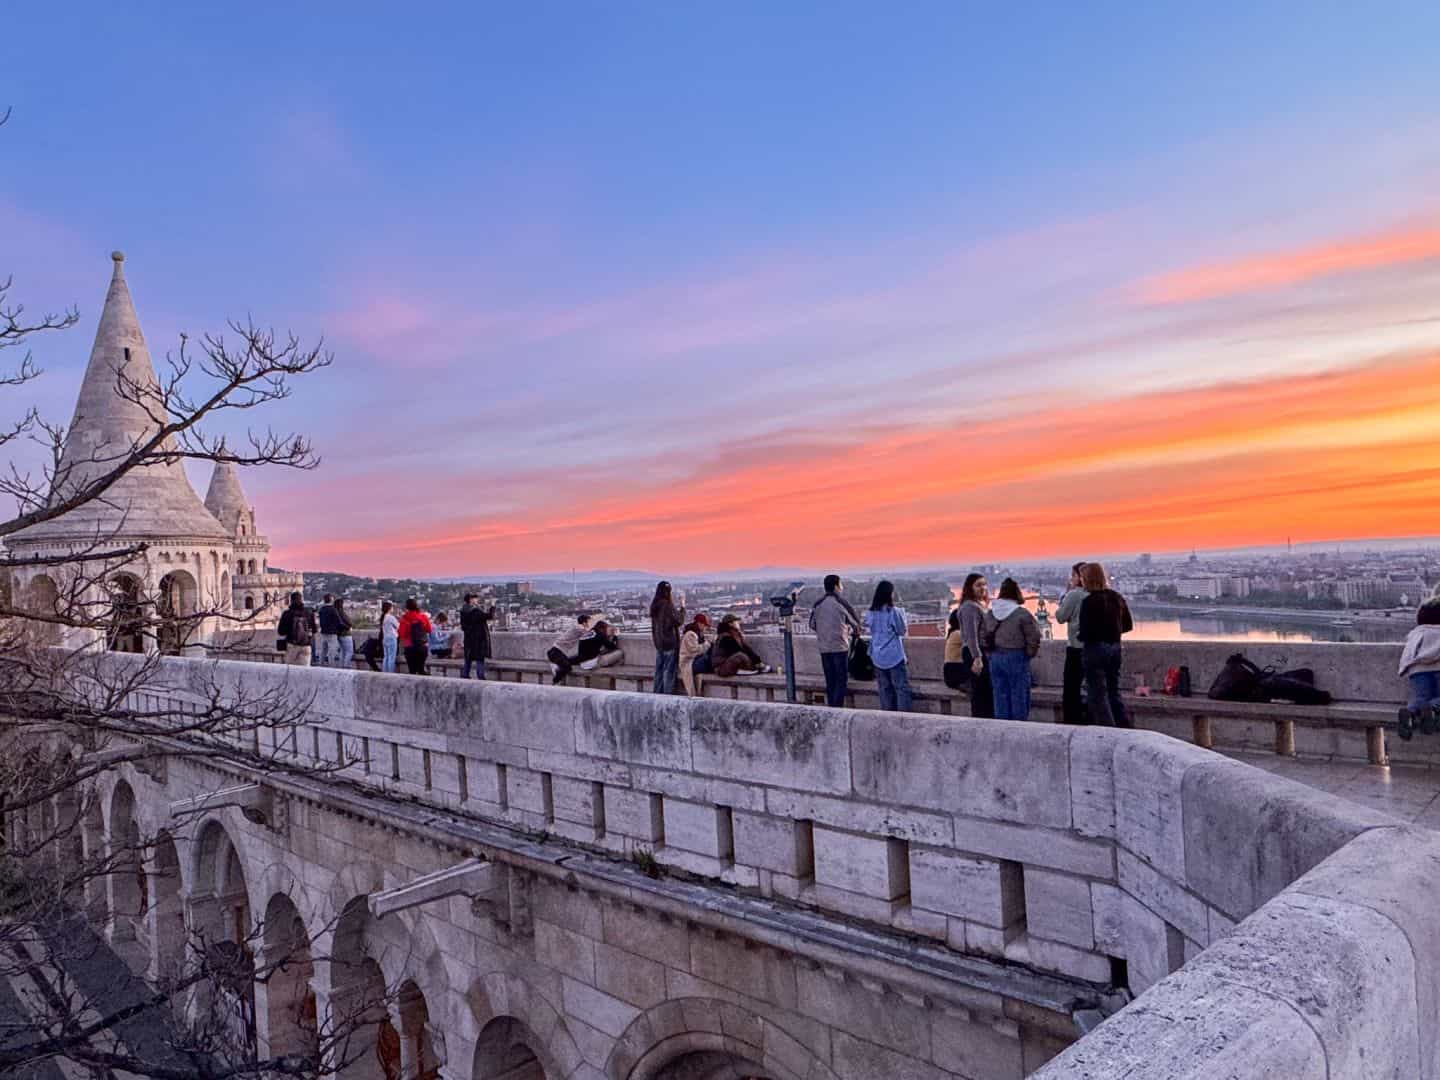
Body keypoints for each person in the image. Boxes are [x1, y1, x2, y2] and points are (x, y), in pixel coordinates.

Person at [1077, 563, 1134, 727]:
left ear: (1088, 579)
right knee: (1113, 691)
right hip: (1115, 647)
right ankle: (1125, 727)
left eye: (1082, 578)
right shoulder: (1116, 597)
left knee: (1097, 693)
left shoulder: (1088, 602)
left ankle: (1108, 730)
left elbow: (1085, 631)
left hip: (1095, 649)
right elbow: (1128, 625)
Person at [984, 578, 1041, 720]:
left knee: (999, 695)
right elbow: (1034, 637)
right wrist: (1029, 654)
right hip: (1016, 656)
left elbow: (983, 636)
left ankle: (1003, 728)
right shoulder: (1022, 614)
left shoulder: (990, 613)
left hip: (995, 657)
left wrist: (990, 654)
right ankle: (1019, 729)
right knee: (1019, 695)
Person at [809, 574, 863, 707]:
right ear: (835, 587)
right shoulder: (841, 602)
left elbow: (812, 624)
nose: (841, 588)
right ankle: (836, 708)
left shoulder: (818, 604)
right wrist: (849, 631)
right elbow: (856, 624)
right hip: (839, 647)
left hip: (824, 648)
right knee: (841, 680)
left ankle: (831, 708)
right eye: (840, 585)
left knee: (830, 681)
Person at [1397, 597, 1440, 739]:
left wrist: (1404, 670)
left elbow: (1408, 655)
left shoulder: (1415, 634)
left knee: (1420, 697)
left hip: (1417, 670)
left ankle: (1410, 712)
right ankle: (1432, 709)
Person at [864, 580, 911, 711]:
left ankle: (887, 716)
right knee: (901, 688)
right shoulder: (894, 612)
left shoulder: (871, 613)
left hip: (877, 655)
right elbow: (902, 631)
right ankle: (903, 717)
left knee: (884, 689)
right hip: (893, 655)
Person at [1053, 563, 1089, 724]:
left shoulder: (1074, 595)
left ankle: (1072, 721)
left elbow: (1060, 617)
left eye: (1073, 576)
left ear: (1080, 578)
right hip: (1094, 648)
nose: (1071, 579)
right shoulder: (1097, 593)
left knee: (1071, 689)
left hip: (1076, 647)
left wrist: (1066, 595)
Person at [957, 574, 994, 718]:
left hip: (981, 652)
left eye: (984, 584)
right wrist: (977, 658)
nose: (983, 588)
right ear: (970, 588)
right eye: (978, 585)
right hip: (975, 653)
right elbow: (971, 635)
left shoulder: (979, 605)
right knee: (980, 693)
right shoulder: (969, 607)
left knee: (985, 692)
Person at [649, 581, 685, 694]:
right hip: (669, 643)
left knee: (659, 673)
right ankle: (667, 699)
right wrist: (683, 607)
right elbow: (679, 620)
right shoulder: (667, 605)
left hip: (659, 643)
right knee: (668, 673)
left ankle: (657, 697)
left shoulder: (655, 605)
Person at [459, 593, 496, 680]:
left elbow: (463, 626)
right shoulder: (475, 611)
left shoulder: (463, 611)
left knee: (468, 659)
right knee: (479, 659)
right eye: (475, 598)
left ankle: (465, 675)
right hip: (478, 639)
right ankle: (481, 677)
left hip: (468, 639)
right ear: (470, 600)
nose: (476, 600)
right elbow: (489, 616)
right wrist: (493, 606)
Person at [547, 614, 593, 684]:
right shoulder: (579, 628)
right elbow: (589, 634)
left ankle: (557, 667)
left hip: (558, 652)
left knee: (573, 661)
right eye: (589, 622)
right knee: (567, 667)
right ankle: (555, 681)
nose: (590, 624)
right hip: (556, 652)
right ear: (584, 623)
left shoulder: (577, 628)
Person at [277, 592, 317, 666]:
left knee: (290, 670)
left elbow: (280, 631)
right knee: (304, 671)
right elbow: (314, 630)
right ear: (301, 600)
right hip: (306, 645)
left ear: (291, 600)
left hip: (292, 645)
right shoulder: (309, 612)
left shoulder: (287, 614)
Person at [397, 598, 433, 676]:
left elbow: (402, 634)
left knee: (412, 671)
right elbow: (429, 630)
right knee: (421, 669)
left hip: (410, 647)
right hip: (422, 646)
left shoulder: (404, 619)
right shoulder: (423, 616)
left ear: (406, 607)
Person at [678, 613, 711, 696]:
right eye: (704, 625)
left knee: (708, 659)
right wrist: (707, 644)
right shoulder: (690, 634)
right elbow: (695, 650)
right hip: (688, 663)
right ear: (699, 623)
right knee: (707, 660)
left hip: (694, 661)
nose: (705, 628)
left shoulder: (698, 634)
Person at [316, 593, 340, 667]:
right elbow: (338, 621)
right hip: (332, 633)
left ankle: (321, 664)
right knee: (332, 651)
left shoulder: (321, 609)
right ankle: (331, 665)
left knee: (323, 650)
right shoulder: (333, 610)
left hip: (323, 632)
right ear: (331, 599)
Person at [380, 600, 399, 674]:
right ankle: (390, 673)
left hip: (385, 638)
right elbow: (398, 626)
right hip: (392, 638)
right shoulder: (390, 617)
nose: (393, 609)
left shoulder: (383, 617)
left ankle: (385, 672)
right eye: (392, 607)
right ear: (389, 608)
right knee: (392, 657)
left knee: (386, 657)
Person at [334, 597, 354, 669]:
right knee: (349, 651)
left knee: (342, 651)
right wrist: (349, 626)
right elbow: (349, 622)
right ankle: (346, 666)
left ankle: (341, 666)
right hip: (345, 634)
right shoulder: (341, 612)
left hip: (338, 634)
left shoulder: (335, 612)